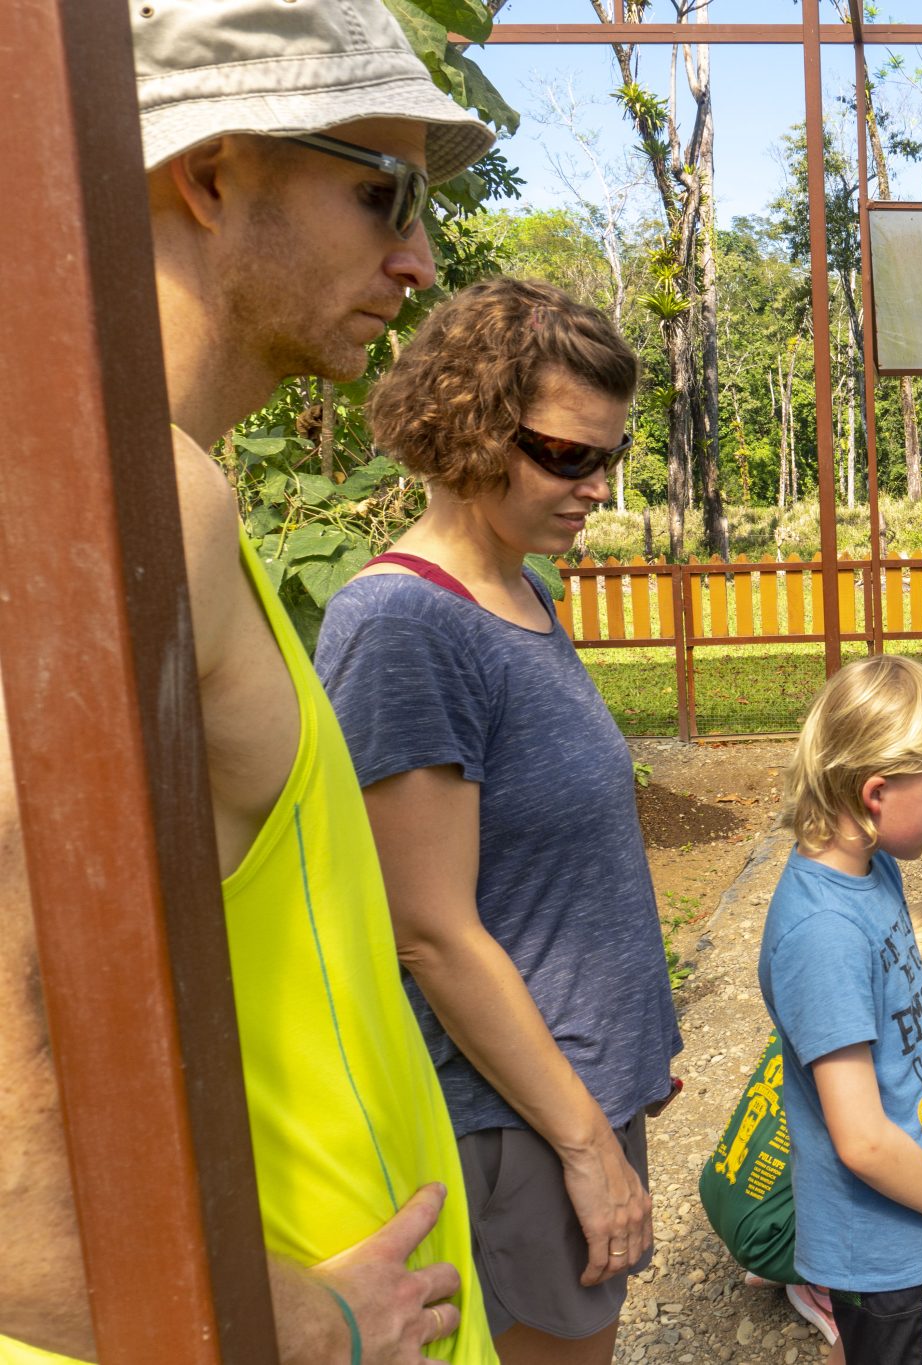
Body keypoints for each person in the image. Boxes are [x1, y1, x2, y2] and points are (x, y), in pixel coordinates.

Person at [0, 2, 500, 1361]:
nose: (418, 254)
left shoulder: (156, 490)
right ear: (213, 175)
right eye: (379, 189)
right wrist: (308, 1323)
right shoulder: (131, 498)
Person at [313, 278, 681, 1364]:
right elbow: (428, 931)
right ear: (468, 430)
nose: (596, 488)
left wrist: (635, 1038)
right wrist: (585, 1145)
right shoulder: (404, 627)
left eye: (605, 458)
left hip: (573, 1084)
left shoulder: (522, 593)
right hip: (512, 1119)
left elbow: (551, 867)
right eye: (568, 455)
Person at [758, 656, 922, 1365]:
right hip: (876, 1241)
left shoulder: (875, 868)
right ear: (876, 793)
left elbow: (900, 1056)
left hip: (906, 1209)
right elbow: (860, 1138)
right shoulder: (822, 934)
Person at [703, 901, 922, 1362]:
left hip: (729, 1194)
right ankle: (828, 1293)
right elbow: (882, 1155)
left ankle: (803, 1271)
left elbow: (921, 1109)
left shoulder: (835, 1012)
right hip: (768, 1232)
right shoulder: (888, 1047)